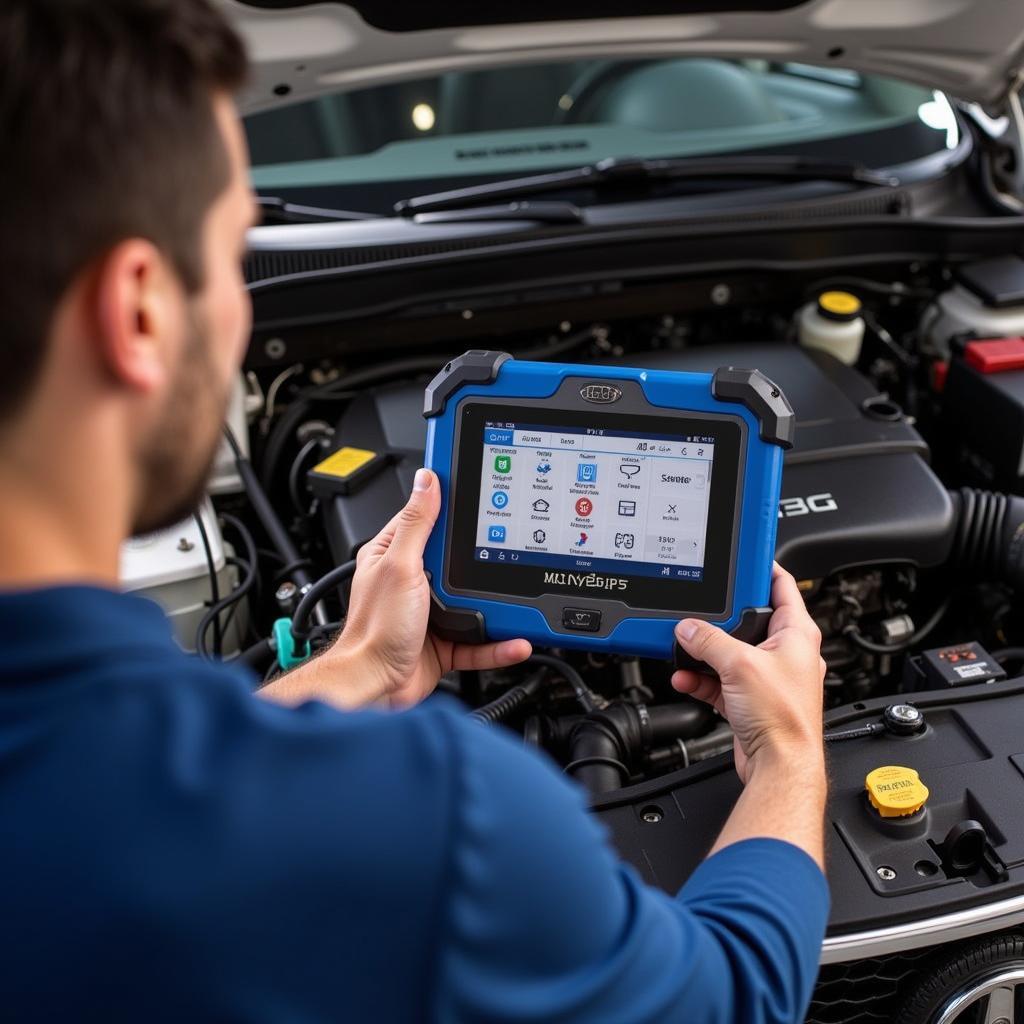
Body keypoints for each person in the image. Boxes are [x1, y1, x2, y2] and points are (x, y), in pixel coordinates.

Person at [0, 2, 829, 1021]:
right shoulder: (434, 819)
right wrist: (790, 755)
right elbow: (731, 1000)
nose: (240, 308)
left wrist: (357, 668)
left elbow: (115, 802)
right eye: (232, 254)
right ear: (137, 310)